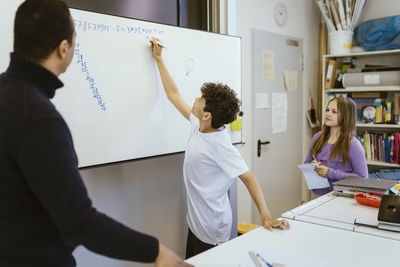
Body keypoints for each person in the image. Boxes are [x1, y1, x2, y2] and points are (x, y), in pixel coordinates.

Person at [0, 1, 192, 266]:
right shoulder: (39, 118)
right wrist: (157, 252)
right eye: (74, 40)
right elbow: (79, 222)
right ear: (63, 48)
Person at [149, 38, 289, 259]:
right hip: (196, 223)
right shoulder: (199, 125)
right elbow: (173, 95)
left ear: (207, 115)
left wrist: (265, 215)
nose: (195, 99)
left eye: (200, 99)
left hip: (213, 230)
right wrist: (158, 59)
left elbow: (249, 178)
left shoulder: (220, 145)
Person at [304, 97, 368, 197]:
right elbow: (307, 162)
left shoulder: (353, 144)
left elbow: (362, 177)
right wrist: (312, 166)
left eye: (334, 112)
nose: (328, 114)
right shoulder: (317, 137)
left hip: (342, 197)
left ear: (346, 116)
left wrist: (330, 173)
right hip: (317, 195)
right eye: (327, 110)